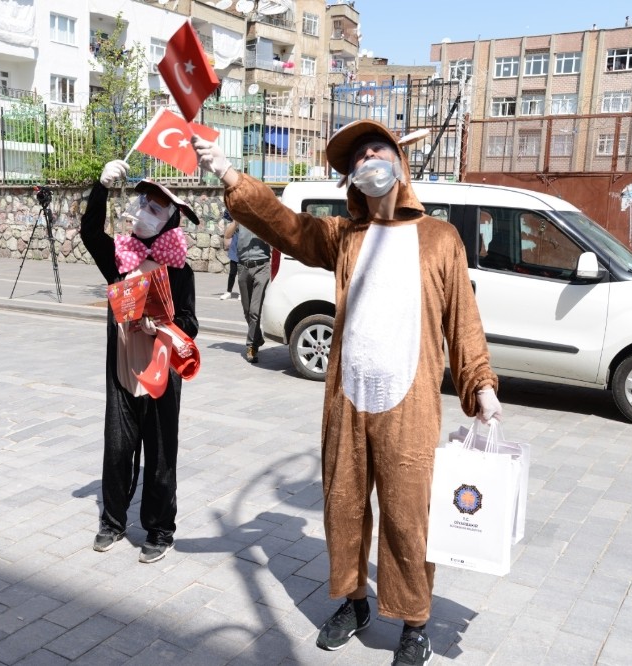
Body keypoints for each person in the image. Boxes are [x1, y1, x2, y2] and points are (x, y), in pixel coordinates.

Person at [192, 120, 502, 665]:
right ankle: (355, 600)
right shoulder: (343, 237)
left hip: (410, 405)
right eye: (358, 159)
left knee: (409, 515)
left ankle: (414, 622)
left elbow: (463, 321)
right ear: (352, 180)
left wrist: (480, 384)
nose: (369, 161)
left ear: (400, 164)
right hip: (348, 398)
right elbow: (284, 224)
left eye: (377, 150)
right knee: (343, 505)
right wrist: (227, 172)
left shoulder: (438, 238)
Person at [80, 159, 200, 564]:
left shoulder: (180, 270)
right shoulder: (120, 256)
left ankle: (160, 529)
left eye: (155, 207)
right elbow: (87, 232)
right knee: (117, 449)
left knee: (162, 453)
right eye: (143, 202)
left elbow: (191, 323)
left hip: (162, 372)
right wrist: (100, 186)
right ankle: (113, 521)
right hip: (123, 368)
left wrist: (162, 325)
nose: (144, 211)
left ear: (170, 220)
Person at [225, 215, 271, 363]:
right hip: (243, 266)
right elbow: (227, 235)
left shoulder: (264, 217)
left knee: (254, 311)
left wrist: (263, 235)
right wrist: (237, 220)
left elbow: (273, 241)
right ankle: (257, 337)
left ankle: (251, 346)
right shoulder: (241, 216)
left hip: (262, 267)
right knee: (247, 310)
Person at [220, 210, 238, 300]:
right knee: (232, 271)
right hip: (236, 243)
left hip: (245, 244)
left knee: (243, 274)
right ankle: (228, 291)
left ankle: (243, 293)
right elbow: (227, 213)